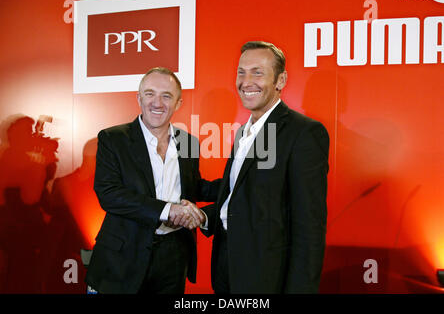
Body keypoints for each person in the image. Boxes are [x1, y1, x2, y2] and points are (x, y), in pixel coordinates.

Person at [195, 41, 330, 293]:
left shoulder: (304, 133)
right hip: (226, 268)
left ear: (281, 80)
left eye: (258, 72)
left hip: (267, 278)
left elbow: (309, 227)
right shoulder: (244, 133)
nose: (246, 82)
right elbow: (239, 198)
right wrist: (202, 216)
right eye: (241, 72)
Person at [85, 67, 219, 294]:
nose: (157, 103)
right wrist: (169, 210)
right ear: (139, 98)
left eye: (166, 96)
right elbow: (109, 194)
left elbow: (192, 186)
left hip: (173, 258)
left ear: (178, 103)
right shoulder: (113, 138)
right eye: (150, 94)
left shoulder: (188, 142)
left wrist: (236, 180)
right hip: (123, 257)